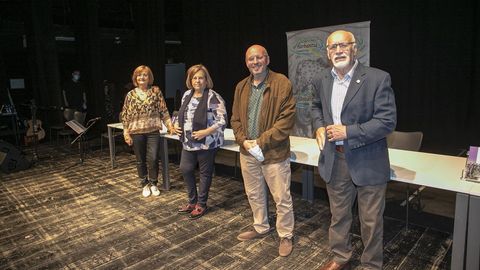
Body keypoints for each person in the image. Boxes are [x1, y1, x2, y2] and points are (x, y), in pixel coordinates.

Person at [311, 30, 396, 270]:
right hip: (334, 159)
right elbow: (315, 108)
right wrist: (318, 127)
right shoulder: (322, 80)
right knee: (338, 216)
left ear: (354, 48)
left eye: (343, 45)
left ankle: (371, 265)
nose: (338, 50)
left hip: (368, 159)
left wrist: (348, 132)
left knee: (370, 221)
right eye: (332, 47)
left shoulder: (378, 78)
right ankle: (341, 257)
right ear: (327, 53)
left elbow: (387, 121)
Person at [231, 44, 296, 257]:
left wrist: (260, 141)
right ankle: (260, 226)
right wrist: (244, 141)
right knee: (254, 193)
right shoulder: (241, 86)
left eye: (259, 58)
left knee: (281, 197)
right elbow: (235, 119)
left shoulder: (281, 82)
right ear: (246, 62)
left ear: (267, 59)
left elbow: (286, 121)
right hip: (247, 151)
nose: (255, 62)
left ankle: (286, 234)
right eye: (251, 59)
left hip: (273, 152)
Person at [173, 64, 227, 219]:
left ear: (206, 80)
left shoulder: (213, 97)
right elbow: (181, 114)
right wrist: (177, 125)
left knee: (204, 174)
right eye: (194, 77)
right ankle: (192, 201)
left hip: (207, 142)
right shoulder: (186, 95)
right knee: (185, 169)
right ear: (190, 80)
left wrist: (206, 131)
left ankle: (201, 204)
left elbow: (222, 120)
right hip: (189, 142)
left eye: (200, 77)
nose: (197, 81)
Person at [121, 65, 174, 197]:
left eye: (145, 75)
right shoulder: (130, 95)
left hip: (153, 131)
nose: (142, 77)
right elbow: (125, 115)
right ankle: (144, 184)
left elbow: (164, 110)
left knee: (153, 158)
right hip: (136, 132)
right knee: (140, 160)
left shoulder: (156, 91)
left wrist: (170, 126)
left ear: (149, 77)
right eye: (139, 75)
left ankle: (154, 183)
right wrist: (126, 132)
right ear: (135, 78)